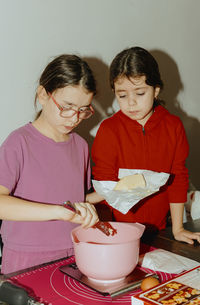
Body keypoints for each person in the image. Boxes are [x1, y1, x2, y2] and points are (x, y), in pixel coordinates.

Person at [86, 46, 200, 245]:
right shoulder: (109, 130)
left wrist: (178, 228)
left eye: (139, 93)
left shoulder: (173, 126)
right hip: (120, 231)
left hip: (160, 229)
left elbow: (178, 178)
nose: (131, 103)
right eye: (122, 95)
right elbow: (105, 186)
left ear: (155, 90)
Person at [0, 54, 99, 274]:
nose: (74, 118)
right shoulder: (19, 143)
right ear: (43, 95)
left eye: (84, 109)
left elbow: (75, 199)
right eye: (67, 106)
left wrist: (114, 192)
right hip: (26, 258)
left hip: (74, 251)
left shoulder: (80, 145)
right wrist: (58, 212)